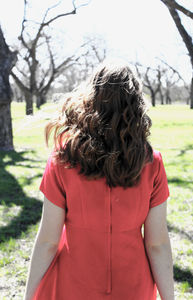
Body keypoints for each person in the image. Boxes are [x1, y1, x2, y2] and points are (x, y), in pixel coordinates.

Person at [24, 60, 174, 300]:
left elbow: (48, 242)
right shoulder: (152, 163)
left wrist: (28, 296)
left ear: (91, 100)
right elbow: (157, 245)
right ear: (136, 105)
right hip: (133, 288)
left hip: (73, 287)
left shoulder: (62, 160)